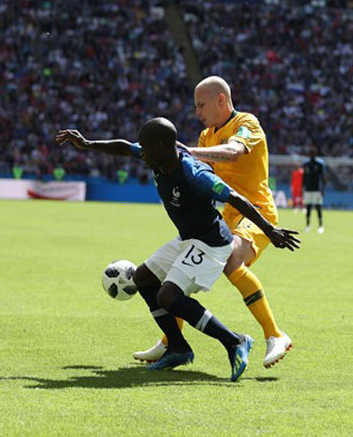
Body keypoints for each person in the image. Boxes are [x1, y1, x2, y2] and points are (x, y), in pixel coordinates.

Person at [56, 118, 299, 380]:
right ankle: (178, 347)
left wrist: (270, 230)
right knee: (143, 278)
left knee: (168, 296)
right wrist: (87, 144)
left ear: (161, 147)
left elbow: (236, 198)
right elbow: (125, 147)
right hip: (188, 238)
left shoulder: (193, 174)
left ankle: (235, 341)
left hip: (211, 242)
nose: (142, 154)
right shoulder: (158, 156)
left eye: (146, 150)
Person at [134, 76, 293, 369]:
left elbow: (233, 153)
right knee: (184, 266)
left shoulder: (247, 123)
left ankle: (275, 335)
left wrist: (187, 151)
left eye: (201, 105)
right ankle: (172, 342)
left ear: (221, 99)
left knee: (232, 260)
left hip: (256, 210)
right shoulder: (207, 135)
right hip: (226, 214)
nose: (197, 112)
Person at [303, 148, 326, 233]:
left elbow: (323, 177)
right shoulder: (306, 164)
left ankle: (320, 226)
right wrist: (303, 188)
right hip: (308, 189)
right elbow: (304, 177)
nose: (312, 155)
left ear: (316, 154)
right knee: (308, 208)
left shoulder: (319, 164)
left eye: (313, 153)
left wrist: (323, 189)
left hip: (317, 189)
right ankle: (308, 225)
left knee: (318, 207)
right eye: (310, 153)